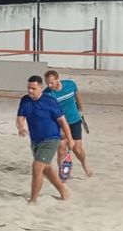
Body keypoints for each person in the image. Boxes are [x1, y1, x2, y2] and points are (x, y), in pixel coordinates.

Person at [16, 75, 73, 204]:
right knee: (46, 168)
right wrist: (21, 127)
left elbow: (63, 121)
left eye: (33, 88)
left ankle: (33, 200)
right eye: (29, 88)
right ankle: (63, 191)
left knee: (37, 167)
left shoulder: (50, 101)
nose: (30, 91)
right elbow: (20, 116)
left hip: (51, 139)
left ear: (41, 88)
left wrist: (70, 139)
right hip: (35, 140)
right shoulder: (25, 100)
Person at [44, 70, 91, 177]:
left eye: (51, 82)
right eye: (47, 83)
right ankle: (62, 173)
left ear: (58, 79)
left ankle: (84, 165)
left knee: (77, 150)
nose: (49, 85)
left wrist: (81, 110)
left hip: (74, 121)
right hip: (59, 124)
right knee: (61, 150)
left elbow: (77, 96)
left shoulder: (70, 85)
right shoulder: (47, 94)